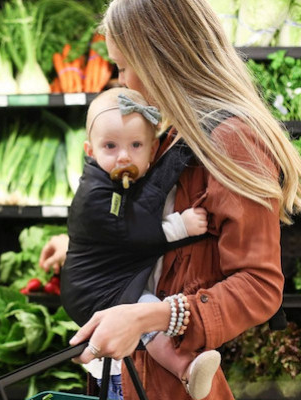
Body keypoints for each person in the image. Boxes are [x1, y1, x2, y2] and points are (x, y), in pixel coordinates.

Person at [41, 0, 301, 399]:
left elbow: (261, 285)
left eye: (124, 66)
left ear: (159, 59)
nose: (121, 81)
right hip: (127, 373)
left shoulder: (231, 139)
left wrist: (150, 315)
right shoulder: (175, 129)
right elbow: (156, 231)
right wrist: (86, 246)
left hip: (166, 385)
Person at [55, 86, 220, 400]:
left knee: (144, 315)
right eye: (110, 146)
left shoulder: (115, 179)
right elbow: (130, 232)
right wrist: (179, 225)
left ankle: (185, 369)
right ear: (90, 151)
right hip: (95, 288)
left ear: (153, 148)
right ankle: (185, 367)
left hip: (109, 276)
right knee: (146, 311)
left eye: (135, 145)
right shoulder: (95, 192)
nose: (123, 156)